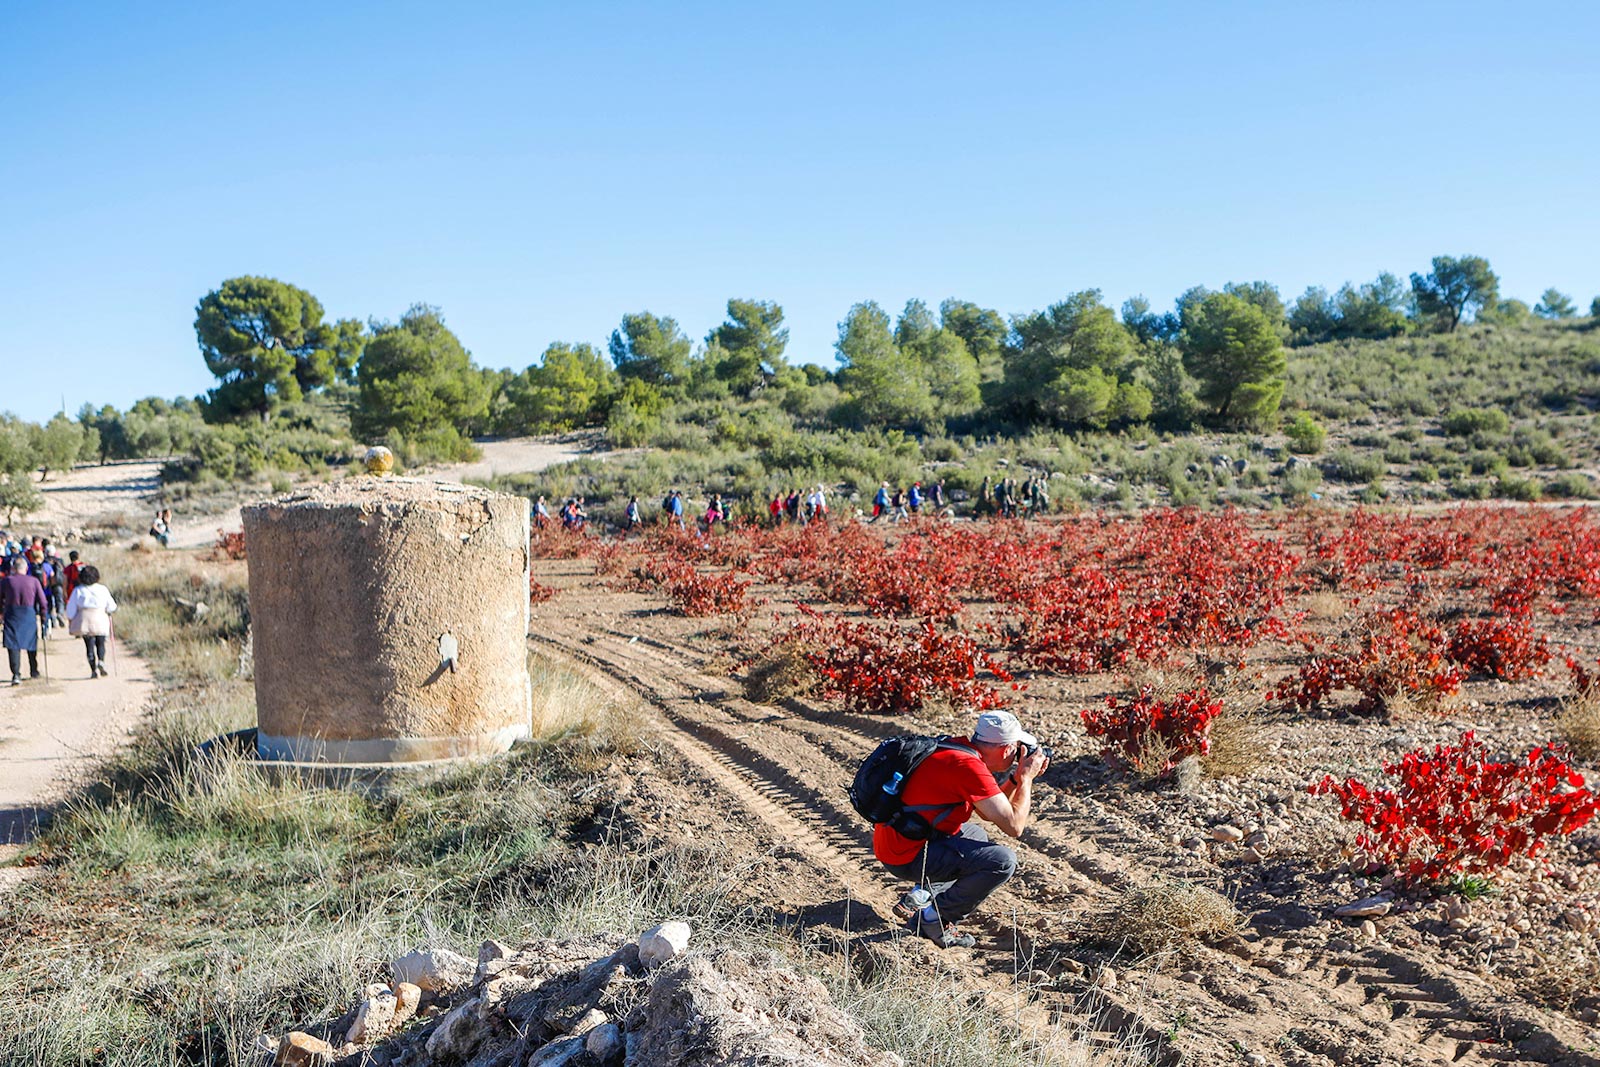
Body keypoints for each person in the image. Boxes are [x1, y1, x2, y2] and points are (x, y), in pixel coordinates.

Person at [873, 709, 1050, 949]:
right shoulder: (968, 767)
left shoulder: (956, 748)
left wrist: (1015, 780)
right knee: (1002, 861)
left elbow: (986, 812)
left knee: (976, 835)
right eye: (1018, 750)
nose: (1019, 757)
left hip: (897, 841)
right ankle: (934, 919)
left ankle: (923, 894)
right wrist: (1027, 779)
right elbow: (1014, 826)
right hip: (906, 856)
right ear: (1006, 749)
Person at [1, 557, 48, 685]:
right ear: (26, 568)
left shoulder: (7, 581)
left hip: (12, 614)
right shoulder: (33, 581)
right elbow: (43, 601)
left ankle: (16, 674)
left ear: (13, 569)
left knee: (13, 645)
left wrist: (1, 613)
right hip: (29, 613)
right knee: (31, 642)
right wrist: (44, 617)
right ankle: (34, 670)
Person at [65, 563, 117, 679]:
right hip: (100, 619)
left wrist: (71, 618)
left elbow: (70, 610)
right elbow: (112, 606)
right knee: (101, 643)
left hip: (85, 621)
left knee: (89, 646)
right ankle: (101, 661)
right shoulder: (103, 589)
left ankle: (93, 670)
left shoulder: (78, 591)